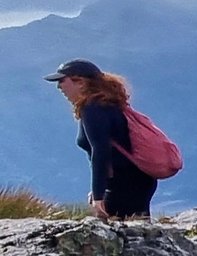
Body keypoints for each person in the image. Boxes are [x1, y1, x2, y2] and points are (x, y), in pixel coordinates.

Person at [44, 59, 157, 219]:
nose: (59, 86)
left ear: (80, 82)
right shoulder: (108, 104)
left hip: (123, 184)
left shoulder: (92, 108)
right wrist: (101, 188)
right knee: (138, 232)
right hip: (138, 180)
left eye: (62, 80)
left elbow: (100, 151)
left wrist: (98, 195)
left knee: (118, 234)